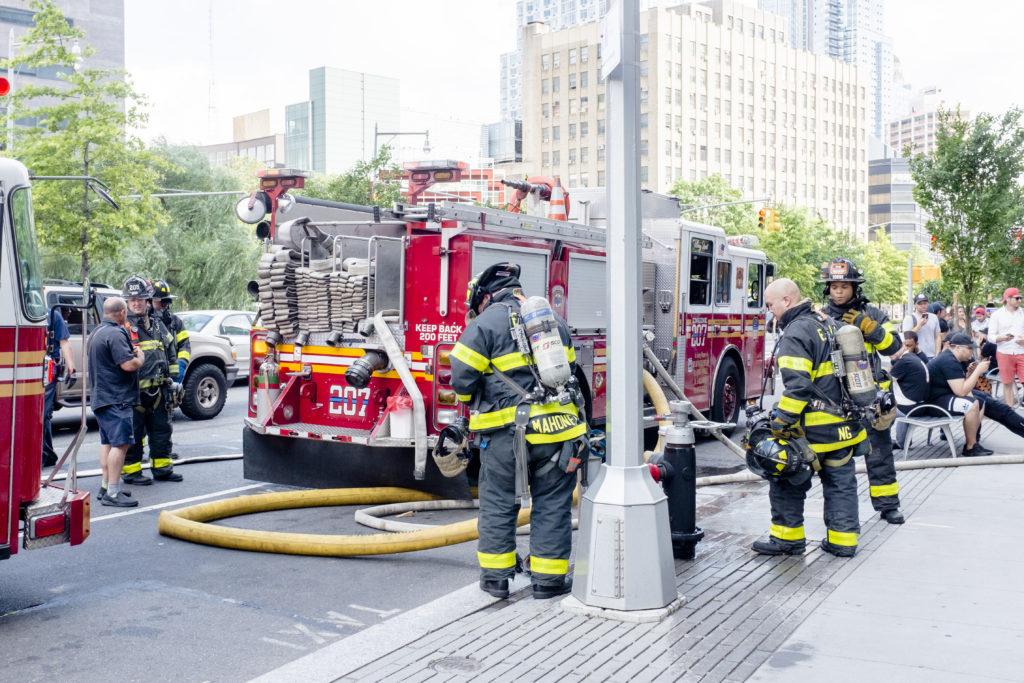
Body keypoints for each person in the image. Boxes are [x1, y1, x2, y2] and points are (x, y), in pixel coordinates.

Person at [450, 263, 586, 599]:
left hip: (505, 437)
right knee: (553, 504)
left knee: (498, 502)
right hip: (558, 435)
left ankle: (496, 580)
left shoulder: (484, 324)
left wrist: (473, 400)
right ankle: (548, 582)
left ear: (484, 297)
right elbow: (569, 372)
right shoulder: (554, 324)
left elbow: (460, 378)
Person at [751, 278, 865, 558]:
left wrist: (781, 423)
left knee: (785, 478)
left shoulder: (796, 332)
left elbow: (798, 386)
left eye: (770, 305)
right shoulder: (830, 323)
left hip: (812, 431)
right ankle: (843, 542)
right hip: (844, 427)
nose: (770, 311)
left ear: (786, 301)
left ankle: (786, 540)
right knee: (841, 483)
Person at [819, 258, 905, 525]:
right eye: (834, 286)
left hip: (870, 397)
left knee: (878, 452)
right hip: (836, 399)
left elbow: (894, 347)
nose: (839, 291)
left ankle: (888, 505)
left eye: (844, 286)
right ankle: (840, 515)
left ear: (855, 287)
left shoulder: (874, 315)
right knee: (835, 458)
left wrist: (869, 327)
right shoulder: (820, 317)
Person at [120, 276, 184, 486]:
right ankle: (131, 472)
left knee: (162, 431)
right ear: (126, 303)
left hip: (159, 391)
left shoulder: (157, 324)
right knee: (134, 435)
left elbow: (171, 352)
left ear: (147, 300)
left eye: (140, 298)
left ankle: (163, 469)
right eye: (132, 300)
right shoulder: (123, 328)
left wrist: (174, 380)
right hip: (134, 395)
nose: (136, 303)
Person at [88, 297, 143, 507]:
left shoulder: (96, 333)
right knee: (120, 445)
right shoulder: (116, 332)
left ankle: (106, 486)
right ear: (121, 312)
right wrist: (141, 358)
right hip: (116, 398)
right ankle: (112, 493)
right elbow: (128, 365)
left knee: (107, 443)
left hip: (101, 398)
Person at [927, 333, 988, 457]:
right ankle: (970, 448)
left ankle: (973, 443)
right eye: (969, 348)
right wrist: (977, 372)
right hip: (933, 402)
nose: (972, 352)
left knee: (980, 402)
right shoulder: (949, 360)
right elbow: (961, 391)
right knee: (971, 404)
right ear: (958, 348)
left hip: (942, 396)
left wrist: (970, 374)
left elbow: (961, 384)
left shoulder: (953, 358)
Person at [42, 305, 75, 468]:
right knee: (43, 414)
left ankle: (42, 454)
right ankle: (47, 454)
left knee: (39, 414)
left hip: (48, 370)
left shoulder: (53, 315)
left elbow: (64, 342)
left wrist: (71, 368)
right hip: (29, 369)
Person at [889, 331, 930, 450]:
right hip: (922, 404)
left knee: (884, 412)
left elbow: (887, 381)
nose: (889, 353)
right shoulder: (912, 357)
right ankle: (902, 442)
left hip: (913, 407)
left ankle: (884, 443)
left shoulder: (904, 361)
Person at [985, 287, 1024, 409]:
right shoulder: (997, 315)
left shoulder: (1023, 312)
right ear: (1007, 299)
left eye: (1020, 298)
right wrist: (1002, 338)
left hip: (1021, 351)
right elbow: (990, 336)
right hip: (1004, 351)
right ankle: (1010, 409)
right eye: (1017, 298)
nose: (1019, 300)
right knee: (1007, 382)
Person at [151, 279, 190, 382]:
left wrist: (181, 364)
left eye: (167, 302)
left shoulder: (175, 322)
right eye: (161, 302)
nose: (165, 306)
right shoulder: (145, 322)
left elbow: (185, 345)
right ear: (150, 301)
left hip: (172, 375)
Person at [902, 293, 942, 359]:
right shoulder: (909, 318)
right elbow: (906, 338)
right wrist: (919, 326)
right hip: (916, 355)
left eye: (925, 303)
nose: (923, 306)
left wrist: (937, 353)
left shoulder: (934, 317)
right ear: (915, 305)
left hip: (932, 356)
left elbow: (937, 336)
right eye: (920, 304)